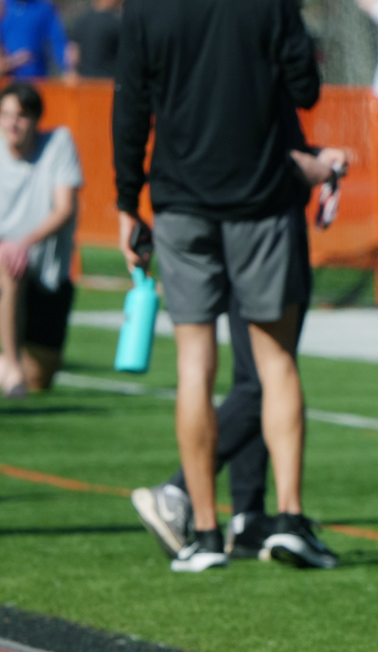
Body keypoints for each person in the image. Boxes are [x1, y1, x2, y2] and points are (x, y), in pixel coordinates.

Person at [114, 0, 335, 573]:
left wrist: (125, 201)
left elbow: (130, 104)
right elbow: (305, 88)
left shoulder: (146, 8)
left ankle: (207, 533)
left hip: (180, 201)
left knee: (195, 365)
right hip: (259, 199)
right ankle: (288, 520)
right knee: (276, 362)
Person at [131, 113, 347, 564]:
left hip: (221, 207)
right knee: (267, 374)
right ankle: (180, 492)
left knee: (254, 374)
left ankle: (248, 515)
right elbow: (259, 128)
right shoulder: (254, 68)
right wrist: (311, 164)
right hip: (256, 214)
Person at [0, 81, 79, 399]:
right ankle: (11, 364)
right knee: (9, 265)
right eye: (5, 115)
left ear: (35, 119)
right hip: (7, 267)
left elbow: (64, 208)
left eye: (20, 116)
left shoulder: (58, 144)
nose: (12, 124)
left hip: (48, 273)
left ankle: (14, 367)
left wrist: (24, 242)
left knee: (39, 379)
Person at [0, 0, 68, 78]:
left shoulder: (43, 8)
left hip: (37, 76)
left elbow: (58, 42)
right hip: (7, 79)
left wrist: (67, 67)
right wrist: (13, 61)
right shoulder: (4, 6)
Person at [67, 0, 122, 79]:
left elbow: (73, 55)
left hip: (85, 81)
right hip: (108, 81)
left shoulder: (80, 21)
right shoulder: (116, 23)